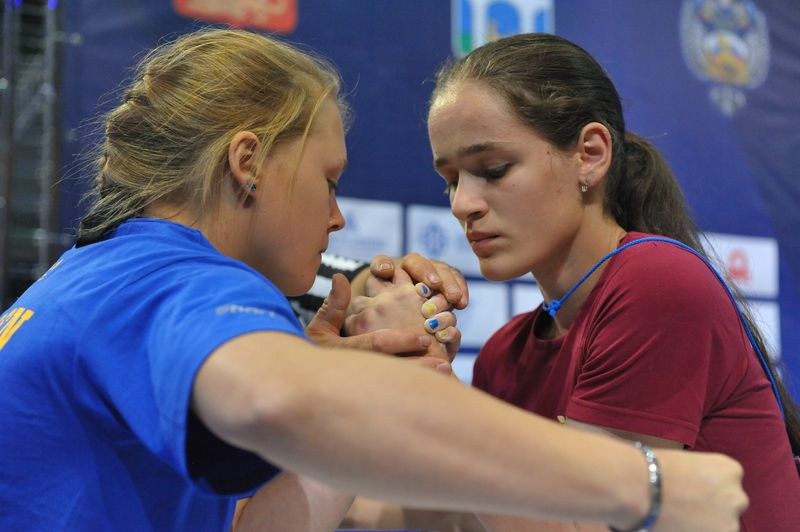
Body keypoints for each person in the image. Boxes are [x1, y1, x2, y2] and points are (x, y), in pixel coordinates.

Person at [0, 28, 747, 531]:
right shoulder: (167, 275)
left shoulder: (111, 274)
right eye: (328, 182)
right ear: (247, 162)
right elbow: (278, 396)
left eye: (491, 170)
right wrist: (643, 486)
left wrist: (367, 364)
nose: (337, 221)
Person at [421, 32, 800, 531]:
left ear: (591, 154)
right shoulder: (503, 354)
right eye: (450, 180)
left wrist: (430, 394)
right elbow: (468, 516)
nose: (461, 204)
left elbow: (588, 525)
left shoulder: (657, 283)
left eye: (492, 169)